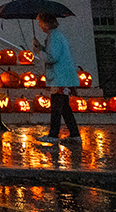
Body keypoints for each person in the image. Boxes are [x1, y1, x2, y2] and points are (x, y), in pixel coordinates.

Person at [34, 12, 81, 144]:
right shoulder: (54, 36)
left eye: (40, 23)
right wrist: (41, 47)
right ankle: (74, 134)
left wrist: (39, 52)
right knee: (64, 107)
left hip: (60, 78)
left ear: (46, 23)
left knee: (56, 107)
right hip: (62, 77)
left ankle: (53, 135)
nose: (40, 26)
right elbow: (52, 53)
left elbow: (52, 57)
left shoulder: (54, 37)